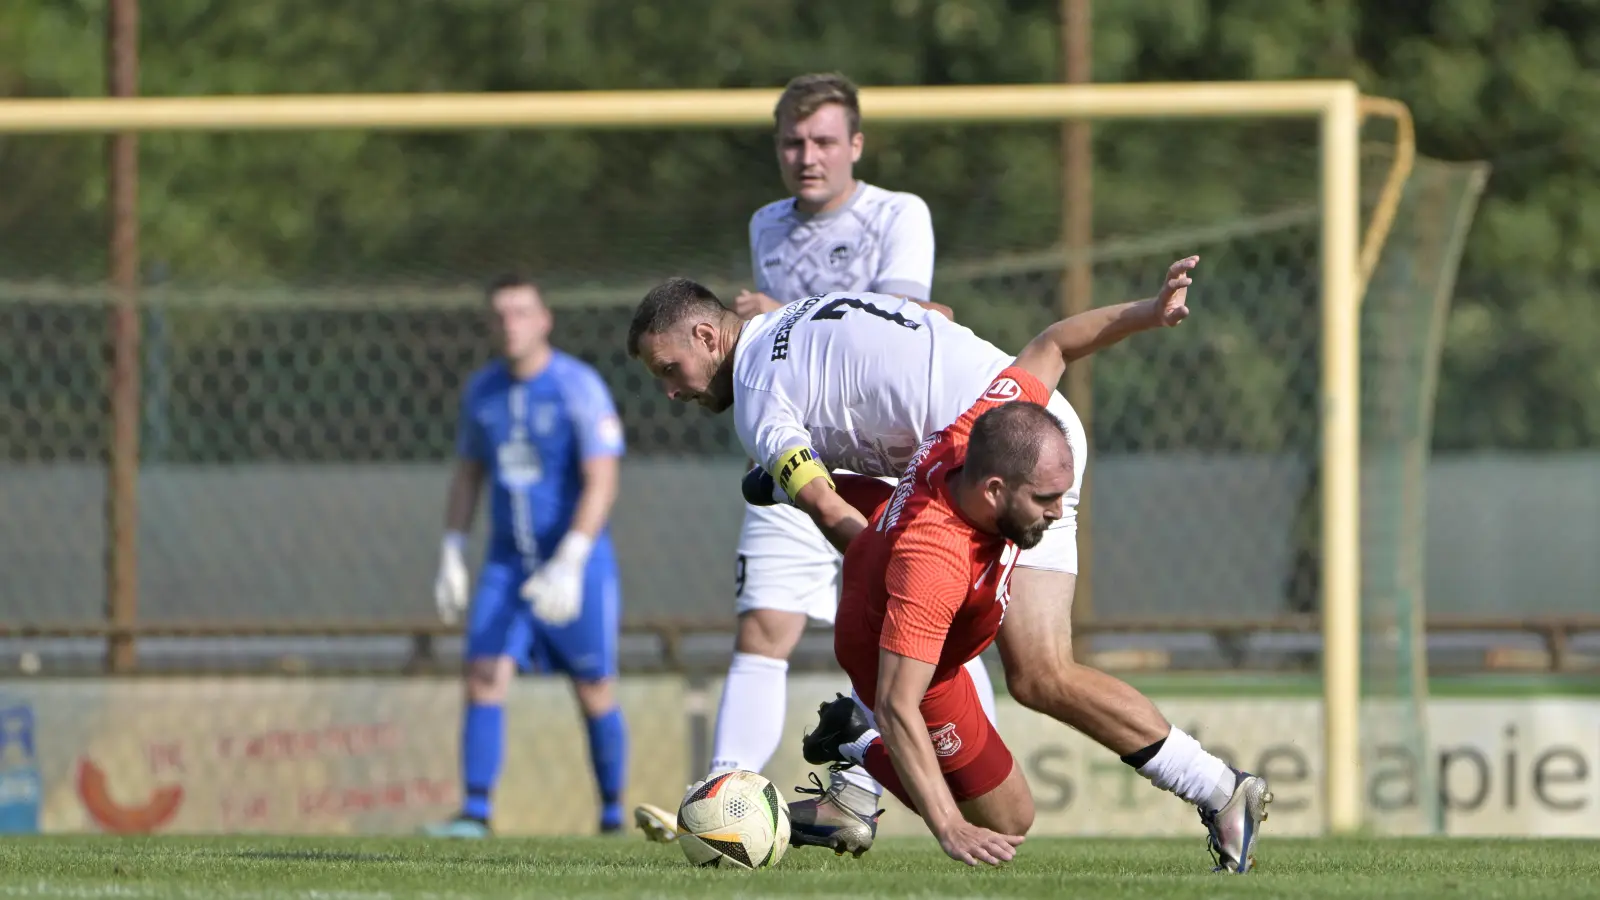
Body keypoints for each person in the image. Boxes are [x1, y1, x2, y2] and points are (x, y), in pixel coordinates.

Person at [626, 257, 1272, 871]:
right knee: (1031, 689)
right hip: (1019, 433)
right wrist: (1147, 310)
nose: (671, 391)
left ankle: (859, 767)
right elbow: (974, 324)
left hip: (995, 468)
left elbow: (825, 505)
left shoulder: (763, 397)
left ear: (708, 336)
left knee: (1024, 677)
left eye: (668, 368)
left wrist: (891, 564)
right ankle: (1219, 788)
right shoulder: (799, 314)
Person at [631, 71, 989, 850]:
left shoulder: (899, 215)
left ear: (856, 145)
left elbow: (900, 318)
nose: (808, 156)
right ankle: (722, 794)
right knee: (764, 625)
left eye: (824, 140)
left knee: (926, 624)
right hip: (792, 445)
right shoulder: (768, 224)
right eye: (792, 142)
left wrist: (787, 317)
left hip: (880, 450)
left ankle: (864, 791)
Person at [425, 275, 629, 837]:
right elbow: (468, 473)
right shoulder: (482, 392)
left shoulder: (576, 386)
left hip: (576, 563)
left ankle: (613, 817)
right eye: (500, 314)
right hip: (504, 563)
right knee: (483, 674)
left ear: (545, 320)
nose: (510, 324)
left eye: (521, 312)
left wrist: (571, 557)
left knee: (593, 686)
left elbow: (602, 478)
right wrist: (451, 549)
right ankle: (475, 813)